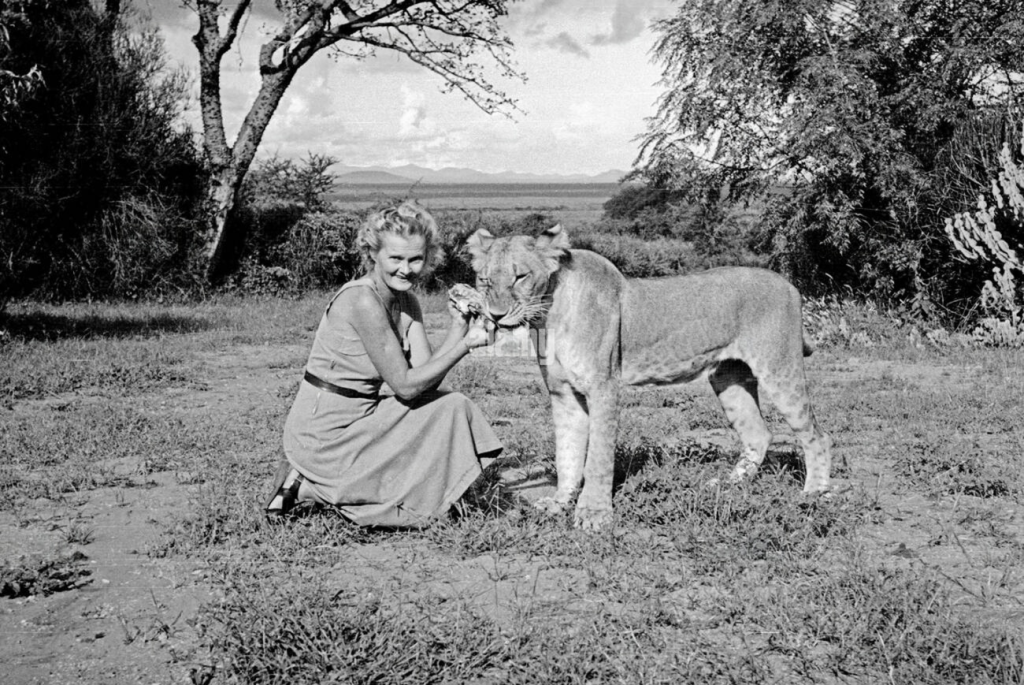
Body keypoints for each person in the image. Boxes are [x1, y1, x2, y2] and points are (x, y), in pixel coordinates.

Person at [265, 200, 502, 527]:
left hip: (365, 415)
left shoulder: (407, 301)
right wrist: (465, 346)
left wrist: (459, 327)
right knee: (426, 426)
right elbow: (405, 386)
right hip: (326, 432)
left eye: (416, 259)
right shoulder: (362, 299)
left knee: (452, 406)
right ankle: (307, 485)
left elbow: (424, 381)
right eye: (396, 258)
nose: (406, 269)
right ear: (373, 254)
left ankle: (340, 487)